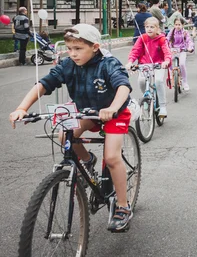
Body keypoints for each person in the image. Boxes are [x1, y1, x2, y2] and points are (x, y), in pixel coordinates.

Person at [9, 24, 135, 232]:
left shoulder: (108, 63)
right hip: (85, 112)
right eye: (69, 48)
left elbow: (123, 86)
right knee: (63, 136)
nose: (73, 53)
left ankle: (122, 206)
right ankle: (87, 161)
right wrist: (22, 108)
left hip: (113, 113)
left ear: (95, 47)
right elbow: (44, 84)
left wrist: (112, 108)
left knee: (112, 157)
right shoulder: (68, 65)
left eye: (78, 48)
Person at [126, 17, 172, 117]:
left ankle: (163, 106)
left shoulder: (162, 39)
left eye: (152, 27)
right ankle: (146, 98)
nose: (149, 29)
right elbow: (135, 51)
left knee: (158, 81)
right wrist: (130, 62)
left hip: (159, 64)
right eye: (147, 27)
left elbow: (167, 51)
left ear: (157, 29)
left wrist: (166, 61)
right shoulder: (142, 38)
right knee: (141, 81)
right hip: (144, 65)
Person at [166, 17, 194, 91]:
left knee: (182, 64)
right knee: (169, 63)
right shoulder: (171, 32)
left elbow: (189, 41)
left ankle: (185, 82)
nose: (177, 26)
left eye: (179, 24)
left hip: (182, 50)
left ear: (182, 25)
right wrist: (166, 47)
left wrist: (190, 47)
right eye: (176, 24)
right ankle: (172, 76)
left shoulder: (185, 32)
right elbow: (166, 40)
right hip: (173, 50)